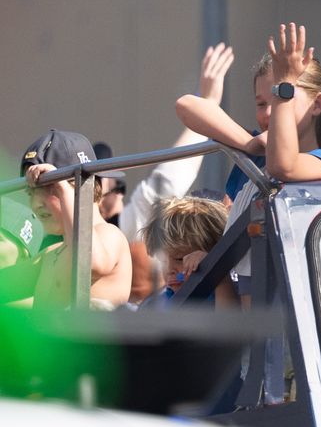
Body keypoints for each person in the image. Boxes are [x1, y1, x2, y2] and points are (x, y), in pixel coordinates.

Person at [176, 23, 321, 296]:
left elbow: (284, 166)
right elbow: (186, 105)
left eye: (283, 97)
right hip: (245, 313)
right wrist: (248, 143)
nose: (270, 112)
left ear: (317, 105)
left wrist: (285, 82)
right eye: (262, 103)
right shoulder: (254, 156)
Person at [94, 43, 236, 302]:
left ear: (118, 192)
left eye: (180, 258)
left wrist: (207, 106)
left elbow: (167, 180)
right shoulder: (69, 236)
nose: (172, 266)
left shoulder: (129, 224)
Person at [20, 130, 132, 308]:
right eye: (31, 192)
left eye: (50, 188)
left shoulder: (110, 234)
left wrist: (62, 188)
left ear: (81, 186)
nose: (36, 203)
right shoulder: (51, 254)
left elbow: (89, 263)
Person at [140, 196, 237, 306]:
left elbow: (228, 321)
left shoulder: (225, 290)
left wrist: (218, 274)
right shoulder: (156, 303)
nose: (169, 270)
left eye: (179, 259)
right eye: (163, 261)